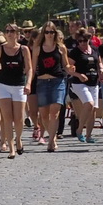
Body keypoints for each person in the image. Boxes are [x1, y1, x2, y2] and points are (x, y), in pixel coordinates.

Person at [0, 26, 32, 157]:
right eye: (7, 31)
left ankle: (18, 139)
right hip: (3, 85)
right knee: (7, 118)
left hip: (19, 86)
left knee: (18, 118)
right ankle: (11, 148)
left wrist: (28, 83)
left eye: (12, 31)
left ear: (17, 34)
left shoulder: (24, 49)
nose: (9, 34)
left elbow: (29, 69)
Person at [30, 22, 71, 152]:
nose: (49, 35)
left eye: (51, 32)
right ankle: (52, 137)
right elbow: (32, 68)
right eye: (47, 32)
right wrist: (28, 83)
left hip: (57, 81)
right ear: (43, 34)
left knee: (54, 113)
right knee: (44, 115)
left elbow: (66, 65)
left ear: (55, 33)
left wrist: (71, 69)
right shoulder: (37, 48)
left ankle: (51, 141)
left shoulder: (61, 47)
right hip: (42, 82)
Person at [65, 26, 103, 143]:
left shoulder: (95, 49)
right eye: (80, 41)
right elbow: (68, 69)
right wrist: (78, 74)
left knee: (93, 109)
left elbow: (99, 62)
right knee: (89, 104)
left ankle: (88, 136)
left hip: (94, 81)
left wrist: (101, 70)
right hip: (79, 83)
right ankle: (79, 129)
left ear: (89, 39)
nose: (82, 43)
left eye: (84, 40)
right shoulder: (75, 52)